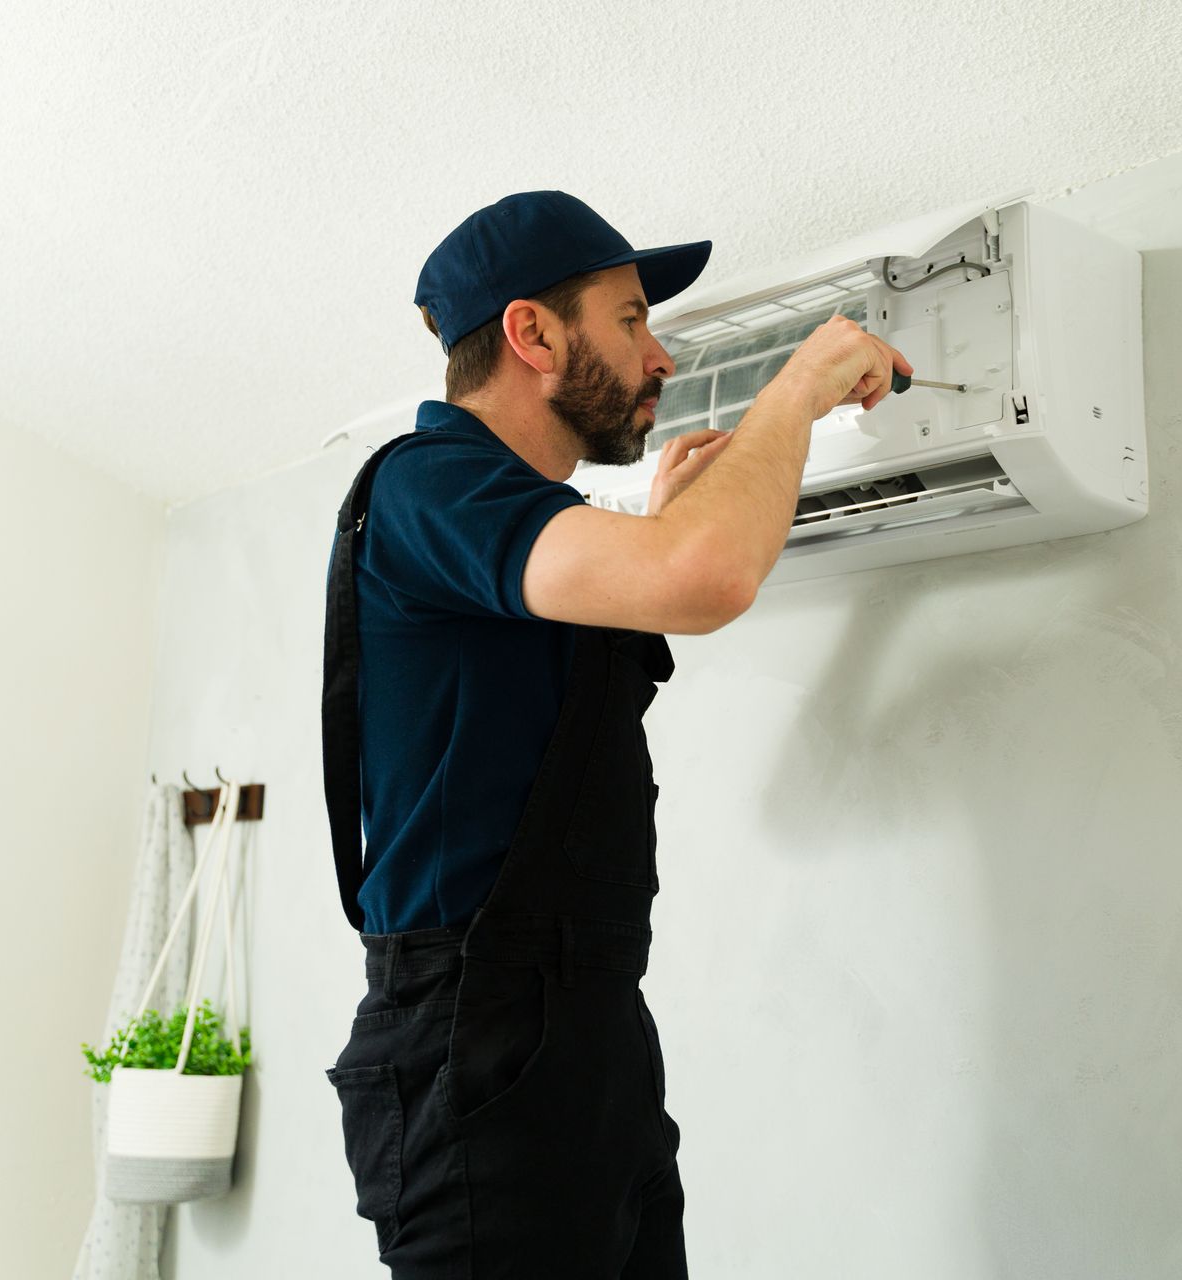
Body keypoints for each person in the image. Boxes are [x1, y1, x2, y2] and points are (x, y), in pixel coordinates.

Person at [319, 190, 912, 1278]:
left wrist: (654, 531)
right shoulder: (429, 482)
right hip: (479, 1041)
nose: (661, 355)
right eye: (632, 318)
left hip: (585, 1035)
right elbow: (704, 576)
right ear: (532, 334)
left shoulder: (511, 536)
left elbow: (558, 723)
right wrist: (799, 386)